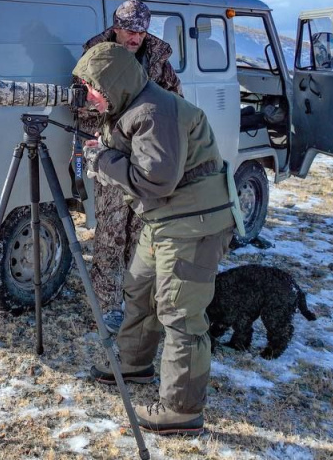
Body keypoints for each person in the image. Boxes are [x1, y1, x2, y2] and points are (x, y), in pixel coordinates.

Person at [72, 42, 234, 435]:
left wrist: (103, 160)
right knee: (139, 286)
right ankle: (133, 363)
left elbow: (155, 181)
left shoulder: (152, 110)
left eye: (94, 87)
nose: (90, 96)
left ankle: (181, 411)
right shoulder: (131, 106)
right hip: (165, 219)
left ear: (115, 81)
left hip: (192, 223)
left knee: (180, 314)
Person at [77, 0, 182, 334]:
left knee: (140, 234)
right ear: (116, 26)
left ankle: (136, 308)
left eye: (141, 30)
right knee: (110, 233)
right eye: (130, 29)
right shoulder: (97, 56)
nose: (135, 37)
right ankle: (104, 308)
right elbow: (79, 107)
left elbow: (175, 103)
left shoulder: (157, 60)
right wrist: (105, 117)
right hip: (109, 154)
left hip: (145, 156)